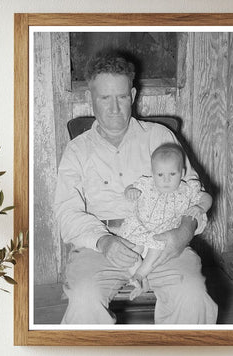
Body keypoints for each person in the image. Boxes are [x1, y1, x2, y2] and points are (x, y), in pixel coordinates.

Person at [54, 51, 218, 324]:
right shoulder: (77, 150)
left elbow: (194, 191)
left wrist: (185, 230)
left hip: (163, 241)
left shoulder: (160, 137)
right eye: (105, 98)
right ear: (90, 99)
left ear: (132, 96)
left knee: (192, 297)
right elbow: (66, 212)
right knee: (84, 301)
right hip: (101, 246)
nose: (114, 108)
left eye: (121, 97)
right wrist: (105, 241)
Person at [119, 143, 213, 300]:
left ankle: (140, 274)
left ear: (182, 173)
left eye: (172, 174)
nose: (166, 180)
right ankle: (141, 280)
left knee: (155, 247)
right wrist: (130, 192)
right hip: (140, 227)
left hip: (163, 232)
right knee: (130, 250)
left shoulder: (187, 190)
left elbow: (206, 197)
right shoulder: (146, 185)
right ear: (153, 173)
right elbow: (130, 187)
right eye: (160, 175)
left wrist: (200, 207)